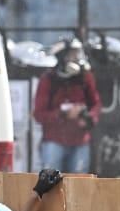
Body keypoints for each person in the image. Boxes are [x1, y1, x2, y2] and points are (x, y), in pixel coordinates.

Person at [32, 36, 100, 174]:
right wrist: (62, 114)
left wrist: (87, 117)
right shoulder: (48, 79)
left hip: (80, 142)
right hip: (53, 142)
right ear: (62, 56)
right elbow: (39, 114)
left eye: (78, 53)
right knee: (49, 186)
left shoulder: (85, 77)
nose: (77, 58)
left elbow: (96, 105)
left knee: (80, 187)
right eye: (72, 54)